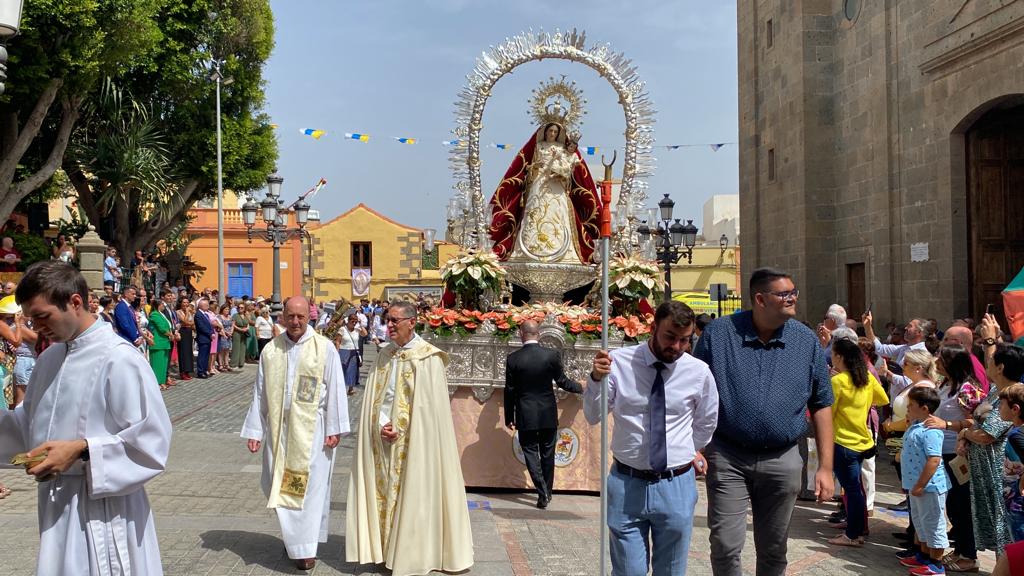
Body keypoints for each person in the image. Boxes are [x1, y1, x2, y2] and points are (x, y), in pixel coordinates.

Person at [0, 261, 171, 574]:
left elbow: (151, 441)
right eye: (31, 319)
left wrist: (82, 449)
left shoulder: (119, 359)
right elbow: (27, 424)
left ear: (74, 302)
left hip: (102, 510)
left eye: (42, 316)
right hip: (57, 504)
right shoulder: (50, 357)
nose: (37, 328)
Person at [692, 267, 834, 576]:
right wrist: (693, 446)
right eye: (784, 294)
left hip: (783, 458)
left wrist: (825, 467)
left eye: (794, 292)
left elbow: (822, 403)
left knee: (773, 548)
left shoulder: (806, 341)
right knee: (726, 544)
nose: (793, 298)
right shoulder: (719, 335)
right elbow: (691, 391)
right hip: (728, 456)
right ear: (759, 299)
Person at [586, 301, 719, 575]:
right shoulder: (618, 363)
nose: (677, 347)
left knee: (670, 570)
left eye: (685, 340)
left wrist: (688, 449)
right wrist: (596, 380)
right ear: (653, 327)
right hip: (627, 483)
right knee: (627, 571)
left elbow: (707, 420)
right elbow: (592, 414)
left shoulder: (698, 372)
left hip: (676, 485)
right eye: (670, 337)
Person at [346, 300, 474, 575]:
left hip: (417, 445)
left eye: (394, 321)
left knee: (415, 495)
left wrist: (408, 430)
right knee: (385, 493)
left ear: (411, 322)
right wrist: (381, 424)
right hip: (385, 442)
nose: (388, 325)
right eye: (387, 320)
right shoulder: (384, 355)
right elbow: (374, 399)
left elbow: (432, 413)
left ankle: (414, 553)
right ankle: (385, 549)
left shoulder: (428, 359)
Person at [242, 297, 348, 571]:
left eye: (301, 316)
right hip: (280, 431)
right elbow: (260, 392)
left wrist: (335, 428)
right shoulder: (271, 350)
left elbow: (336, 388)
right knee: (276, 484)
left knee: (306, 490)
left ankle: (304, 549)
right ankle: (295, 539)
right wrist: (256, 429)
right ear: (283, 318)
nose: (296, 322)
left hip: (312, 432)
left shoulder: (323, 348)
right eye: (290, 316)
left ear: (309, 317)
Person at [488, 121, 602, 265]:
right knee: (535, 207)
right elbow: (528, 166)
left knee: (557, 209)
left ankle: (561, 247)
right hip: (539, 180)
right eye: (550, 131)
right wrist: (534, 167)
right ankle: (528, 247)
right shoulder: (538, 146)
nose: (552, 134)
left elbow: (569, 166)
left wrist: (560, 171)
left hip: (556, 183)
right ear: (545, 132)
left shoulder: (562, 147)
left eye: (555, 132)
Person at [504, 320, 583, 509]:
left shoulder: (513, 359)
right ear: (538, 334)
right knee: (548, 453)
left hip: (526, 413)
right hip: (548, 412)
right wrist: (581, 386)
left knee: (530, 452)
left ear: (521, 334)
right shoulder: (550, 356)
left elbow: (510, 390)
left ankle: (543, 492)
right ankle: (547, 491)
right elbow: (563, 382)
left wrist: (509, 417)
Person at [826, 338, 889, 547]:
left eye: (833, 354)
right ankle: (858, 528)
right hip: (862, 441)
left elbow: (828, 413)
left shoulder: (838, 381)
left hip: (843, 442)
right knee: (856, 489)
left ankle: (853, 534)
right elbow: (883, 400)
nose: (831, 357)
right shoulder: (867, 378)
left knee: (851, 490)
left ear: (840, 357)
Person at [922, 345, 979, 572]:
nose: (936, 362)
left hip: (956, 454)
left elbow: (974, 422)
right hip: (940, 451)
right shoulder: (945, 384)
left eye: (941, 359)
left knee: (961, 504)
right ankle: (960, 549)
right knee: (952, 506)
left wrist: (947, 425)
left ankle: (969, 555)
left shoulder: (967, 389)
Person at [898, 386, 952, 575]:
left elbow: (934, 459)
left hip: (929, 487)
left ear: (925, 408)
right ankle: (923, 555)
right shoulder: (916, 425)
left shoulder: (931, 430)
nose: (907, 408)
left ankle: (936, 564)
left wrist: (921, 484)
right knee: (920, 523)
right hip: (916, 486)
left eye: (911, 405)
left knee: (933, 523)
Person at [864, 312, 932, 368]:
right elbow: (879, 349)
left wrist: (889, 374)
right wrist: (867, 326)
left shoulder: (921, 353)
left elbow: (910, 381)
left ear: (919, 332)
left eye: (910, 326)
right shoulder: (903, 348)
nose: (905, 328)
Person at [334, 312, 366, 396]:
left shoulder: (357, 330)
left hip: (354, 352)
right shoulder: (342, 329)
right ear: (348, 320)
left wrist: (360, 324)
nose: (354, 323)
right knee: (343, 370)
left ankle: (350, 389)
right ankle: (340, 388)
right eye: (352, 321)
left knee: (352, 370)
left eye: (355, 321)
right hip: (343, 351)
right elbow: (337, 341)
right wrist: (337, 353)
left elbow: (365, 334)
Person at [148, 299, 174, 390]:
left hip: (164, 342)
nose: (164, 306)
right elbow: (161, 328)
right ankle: (157, 382)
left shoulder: (161, 314)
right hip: (158, 342)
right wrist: (171, 335)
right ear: (158, 305)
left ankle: (162, 381)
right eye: (162, 304)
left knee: (163, 364)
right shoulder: (154, 314)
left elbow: (167, 325)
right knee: (157, 364)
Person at [194, 299, 213, 378]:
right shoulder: (198, 314)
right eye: (207, 305)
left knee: (206, 355)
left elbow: (209, 325)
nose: (208, 306)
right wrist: (210, 333)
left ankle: (205, 370)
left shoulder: (206, 314)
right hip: (203, 338)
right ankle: (200, 371)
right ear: (202, 306)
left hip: (207, 338)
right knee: (202, 355)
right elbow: (201, 326)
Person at [176, 298, 194, 380]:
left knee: (189, 352)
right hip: (182, 332)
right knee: (183, 352)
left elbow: (192, 323)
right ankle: (182, 371)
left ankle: (188, 371)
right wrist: (187, 312)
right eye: (184, 302)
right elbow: (185, 321)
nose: (186, 304)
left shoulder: (190, 312)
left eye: (187, 302)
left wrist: (188, 322)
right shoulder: (178, 312)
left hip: (189, 332)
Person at [231, 304, 249, 369]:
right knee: (236, 347)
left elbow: (248, 323)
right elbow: (233, 325)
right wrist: (240, 329)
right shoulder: (235, 315)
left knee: (243, 347)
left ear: (244, 308)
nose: (240, 309)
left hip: (244, 332)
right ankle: (234, 363)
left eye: (242, 307)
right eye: (239, 307)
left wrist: (247, 328)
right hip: (237, 332)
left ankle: (241, 362)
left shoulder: (245, 315)